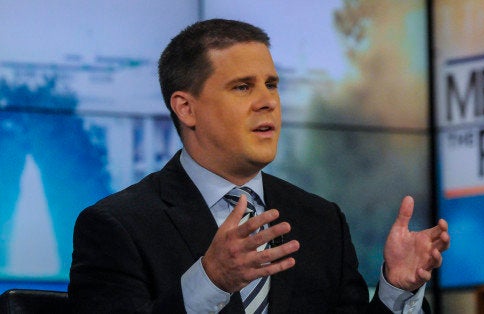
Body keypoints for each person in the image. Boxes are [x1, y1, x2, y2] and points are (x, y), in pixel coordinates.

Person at [69, 19, 450, 314]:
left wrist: (396, 288)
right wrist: (211, 281)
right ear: (186, 108)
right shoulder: (116, 227)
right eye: (242, 87)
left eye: (272, 84)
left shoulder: (321, 221)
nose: (267, 101)